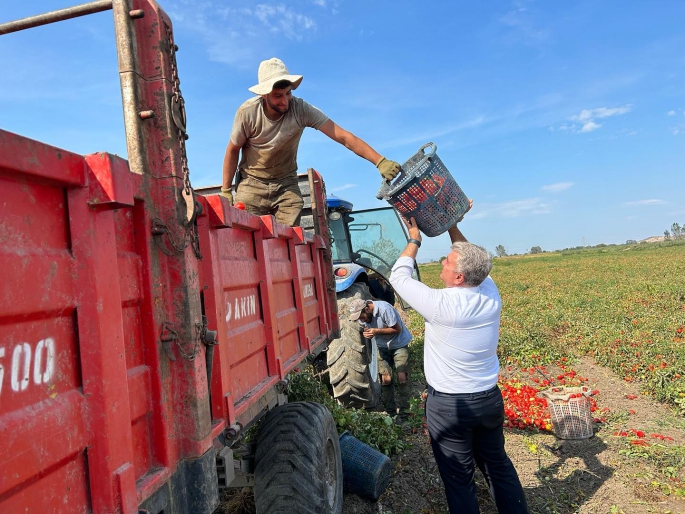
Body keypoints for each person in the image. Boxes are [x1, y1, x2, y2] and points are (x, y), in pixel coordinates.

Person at [388, 211, 530, 514]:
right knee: (498, 466)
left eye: (448, 262)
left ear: (459, 277)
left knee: (459, 480)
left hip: (451, 407)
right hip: (489, 400)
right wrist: (450, 224)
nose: (442, 262)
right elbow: (472, 258)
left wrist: (414, 241)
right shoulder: (489, 292)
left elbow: (398, 276)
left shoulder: (441, 305)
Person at [221, 57, 401, 226]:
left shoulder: (301, 110)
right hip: (252, 182)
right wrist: (227, 191)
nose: (285, 101)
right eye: (278, 96)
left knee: (288, 242)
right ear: (264, 95)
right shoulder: (248, 113)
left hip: (286, 184)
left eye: (288, 93)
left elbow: (343, 137)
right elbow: (233, 149)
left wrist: (379, 161)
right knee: (248, 238)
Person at [348, 297, 413, 417]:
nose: (361, 320)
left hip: (399, 344)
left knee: (402, 378)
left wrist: (376, 331)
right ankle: (391, 413)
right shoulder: (363, 317)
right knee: (386, 379)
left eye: (361, 316)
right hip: (382, 346)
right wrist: (368, 333)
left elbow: (397, 329)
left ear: (367, 308)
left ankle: (405, 413)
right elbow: (368, 328)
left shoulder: (384, 309)